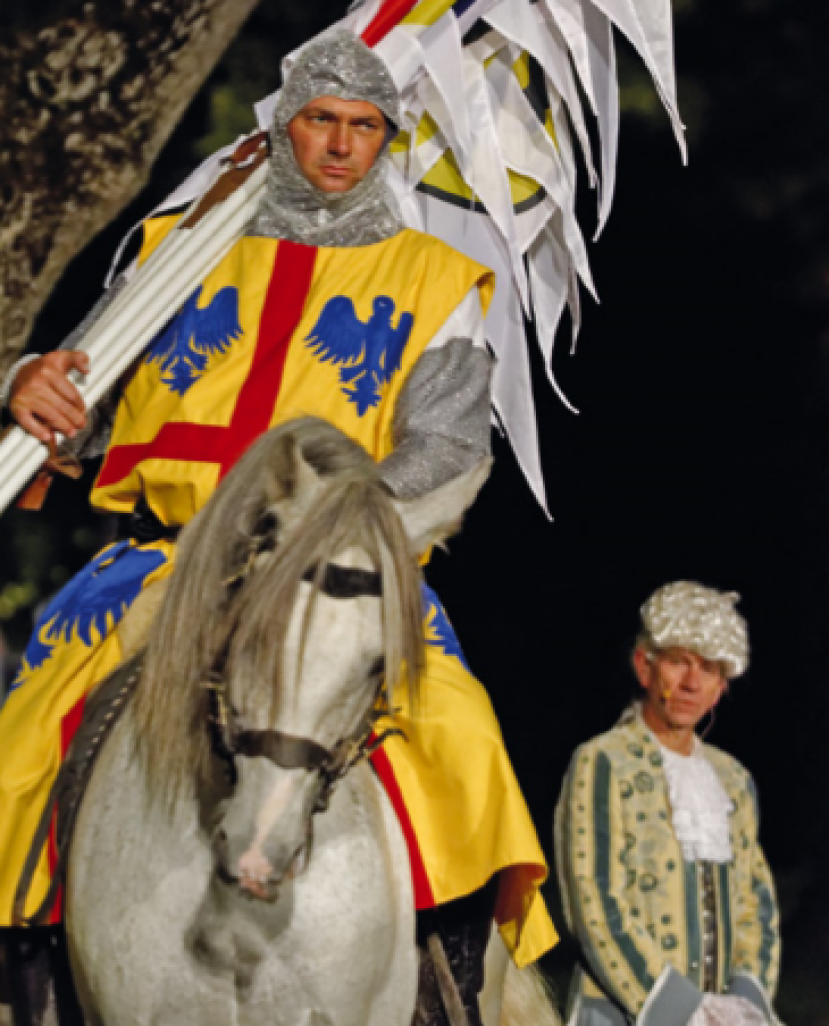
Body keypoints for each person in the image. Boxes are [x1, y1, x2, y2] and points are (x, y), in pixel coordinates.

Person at [0, 29, 556, 1026]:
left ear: (387, 140)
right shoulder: (180, 255)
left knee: (464, 743)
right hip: (165, 568)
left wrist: (333, 525)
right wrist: (26, 382)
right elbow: (81, 423)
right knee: (24, 738)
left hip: (337, 567)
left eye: (362, 128)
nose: (340, 147)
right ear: (284, 126)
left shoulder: (433, 279)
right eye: (320, 122)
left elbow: (445, 446)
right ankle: (26, 976)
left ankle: (456, 987)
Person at [555, 581, 780, 1026]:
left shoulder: (733, 780)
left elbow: (756, 901)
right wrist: (682, 1010)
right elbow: (595, 906)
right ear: (644, 667)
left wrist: (743, 1001)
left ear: (721, 687)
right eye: (679, 662)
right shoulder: (602, 762)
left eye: (710, 669)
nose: (692, 683)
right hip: (625, 1014)